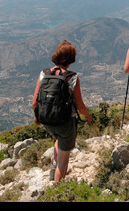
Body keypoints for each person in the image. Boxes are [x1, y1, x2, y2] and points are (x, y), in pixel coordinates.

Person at [32, 40, 92, 182]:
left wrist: (37, 117)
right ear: (71, 59)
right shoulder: (72, 78)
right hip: (65, 122)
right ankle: (58, 191)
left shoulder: (44, 74)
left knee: (58, 140)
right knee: (63, 161)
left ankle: (54, 166)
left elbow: (34, 102)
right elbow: (80, 105)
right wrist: (88, 116)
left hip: (47, 121)